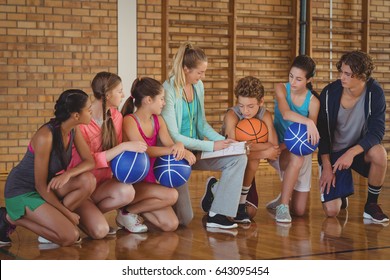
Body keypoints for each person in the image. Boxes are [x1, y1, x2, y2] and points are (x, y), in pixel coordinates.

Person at [162, 41, 247, 229]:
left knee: (238, 158)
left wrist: (222, 141)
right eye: (199, 72)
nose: (203, 77)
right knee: (184, 220)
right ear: (185, 69)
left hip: (197, 150)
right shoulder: (168, 90)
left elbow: (201, 124)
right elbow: (174, 135)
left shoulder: (198, 86)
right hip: (178, 155)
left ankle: (218, 214)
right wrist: (212, 146)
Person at [0, 89, 96, 246]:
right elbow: (40, 185)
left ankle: (55, 222)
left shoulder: (73, 129)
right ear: (76, 115)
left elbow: (89, 162)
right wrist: (68, 214)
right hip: (23, 191)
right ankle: (9, 217)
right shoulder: (46, 136)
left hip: (45, 189)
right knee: (70, 236)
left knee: (88, 180)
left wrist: (68, 174)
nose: (91, 113)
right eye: (89, 109)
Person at [69, 71, 149, 236]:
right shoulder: (81, 122)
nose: (123, 94)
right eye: (119, 91)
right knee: (100, 231)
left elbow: (116, 157)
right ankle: (73, 217)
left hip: (101, 186)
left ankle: (89, 217)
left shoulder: (117, 117)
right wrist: (123, 146)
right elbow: (85, 161)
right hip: (81, 187)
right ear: (107, 94)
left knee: (127, 192)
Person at [317, 50, 388, 223]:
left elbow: (377, 131)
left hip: (356, 152)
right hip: (333, 154)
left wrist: (352, 153)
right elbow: (323, 135)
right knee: (332, 211)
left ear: (362, 76)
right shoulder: (329, 93)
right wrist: (326, 166)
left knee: (380, 153)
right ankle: (340, 196)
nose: (342, 77)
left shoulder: (374, 93)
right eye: (341, 72)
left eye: (348, 74)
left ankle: (371, 205)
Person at [121, 77, 196, 231]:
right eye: (161, 99)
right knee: (172, 195)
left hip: (151, 183)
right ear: (148, 100)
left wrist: (180, 146)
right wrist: (173, 149)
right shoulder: (129, 121)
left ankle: (129, 213)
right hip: (134, 184)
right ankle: (125, 211)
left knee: (171, 225)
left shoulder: (158, 120)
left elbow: (170, 144)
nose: (164, 102)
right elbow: (144, 149)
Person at [266, 54, 320, 223]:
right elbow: (285, 113)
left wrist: (311, 124)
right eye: (291, 76)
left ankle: (284, 195)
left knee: (299, 211)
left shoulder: (313, 102)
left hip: (298, 151)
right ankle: (283, 205)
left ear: (309, 80)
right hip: (279, 150)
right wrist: (308, 122)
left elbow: (308, 141)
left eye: (298, 79)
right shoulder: (281, 88)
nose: (293, 82)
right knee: (296, 158)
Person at [221, 76, 280, 223]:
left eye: (250, 106)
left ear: (261, 102)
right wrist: (264, 151)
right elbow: (233, 150)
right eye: (241, 105)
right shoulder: (232, 116)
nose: (245, 111)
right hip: (230, 166)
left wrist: (249, 145)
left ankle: (240, 204)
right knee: (252, 158)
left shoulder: (264, 114)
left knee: (251, 213)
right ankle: (215, 189)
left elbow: (274, 147)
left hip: (248, 163)